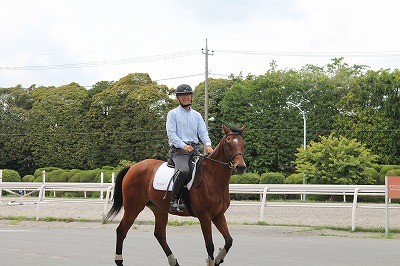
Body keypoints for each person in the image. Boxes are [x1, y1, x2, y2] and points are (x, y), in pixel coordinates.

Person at [166, 84, 213, 212]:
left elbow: (203, 133)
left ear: (191, 96)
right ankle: (174, 201)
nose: (186, 97)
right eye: (182, 95)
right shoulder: (172, 114)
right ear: (178, 98)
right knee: (184, 171)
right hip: (178, 151)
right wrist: (183, 145)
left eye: (188, 95)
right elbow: (171, 134)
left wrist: (208, 145)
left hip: (195, 150)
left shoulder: (197, 115)